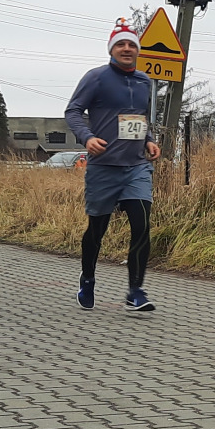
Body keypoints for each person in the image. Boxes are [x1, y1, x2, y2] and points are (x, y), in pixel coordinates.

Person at [64, 19, 160, 312]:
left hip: (136, 167)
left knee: (142, 225)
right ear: (111, 49)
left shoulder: (144, 81)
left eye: (131, 44)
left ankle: (135, 291)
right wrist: (87, 137)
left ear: (138, 50)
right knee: (97, 230)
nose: (127, 49)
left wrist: (149, 140)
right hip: (104, 166)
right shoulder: (96, 78)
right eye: (121, 44)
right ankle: (88, 279)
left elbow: (139, 117)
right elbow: (73, 111)